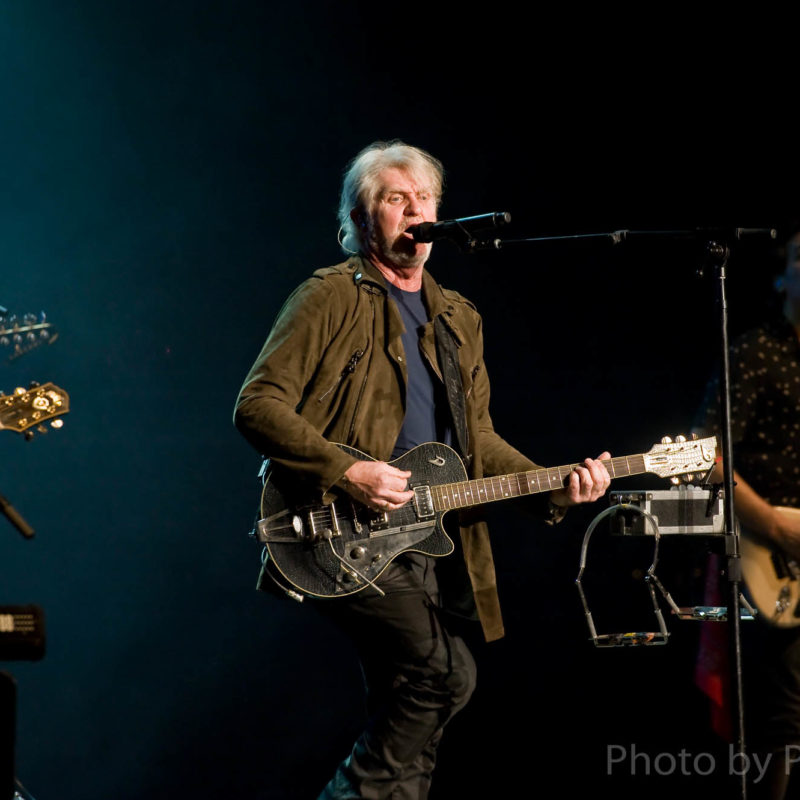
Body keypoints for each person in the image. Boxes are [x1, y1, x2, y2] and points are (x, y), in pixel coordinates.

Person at [233, 139, 611, 799]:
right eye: (394, 199)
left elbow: (478, 441)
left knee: (416, 716)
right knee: (445, 676)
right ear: (360, 218)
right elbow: (256, 406)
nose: (413, 211)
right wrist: (348, 472)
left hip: (422, 537)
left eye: (424, 199)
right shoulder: (328, 297)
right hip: (335, 528)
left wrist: (558, 483)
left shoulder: (458, 317)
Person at [693, 222, 800, 800]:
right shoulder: (759, 352)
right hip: (774, 557)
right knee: (785, 719)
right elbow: (703, 452)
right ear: (783, 277)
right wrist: (778, 525)